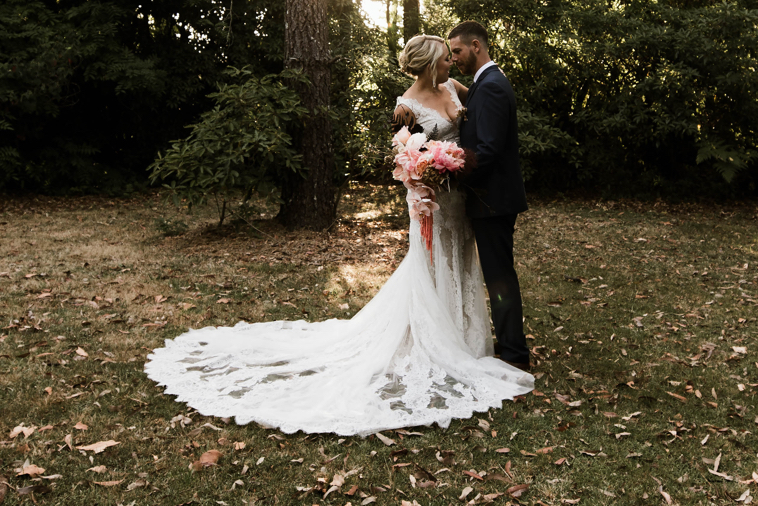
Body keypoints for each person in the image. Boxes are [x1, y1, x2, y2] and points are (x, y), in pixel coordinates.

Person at [143, 34, 533, 437]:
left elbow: (479, 115)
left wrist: (456, 159)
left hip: (461, 197)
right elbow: (404, 154)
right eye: (446, 59)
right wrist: (422, 173)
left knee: (461, 261)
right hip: (431, 198)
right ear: (430, 63)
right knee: (433, 261)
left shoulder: (454, 87)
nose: (452, 64)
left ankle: (465, 336)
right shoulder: (405, 106)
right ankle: (432, 338)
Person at [447, 20, 531, 371]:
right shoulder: (484, 84)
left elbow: (489, 150)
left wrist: (448, 172)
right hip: (489, 199)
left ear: (476, 45)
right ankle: (509, 344)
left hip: (492, 199)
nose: (453, 59)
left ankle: (513, 355)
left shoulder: (493, 86)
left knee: (499, 276)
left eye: (457, 51)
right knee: (498, 275)